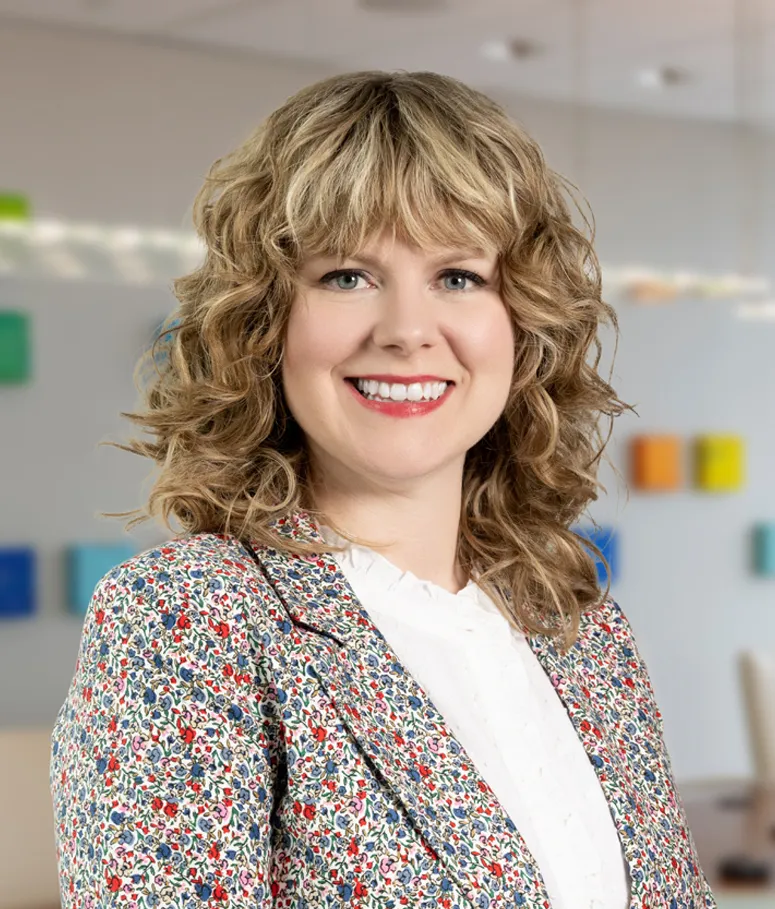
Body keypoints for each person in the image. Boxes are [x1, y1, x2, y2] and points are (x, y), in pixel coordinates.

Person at [50, 70, 715, 908]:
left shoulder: (582, 629)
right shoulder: (188, 619)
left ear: (523, 324)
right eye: (347, 275)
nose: (405, 330)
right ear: (264, 321)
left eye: (459, 276)